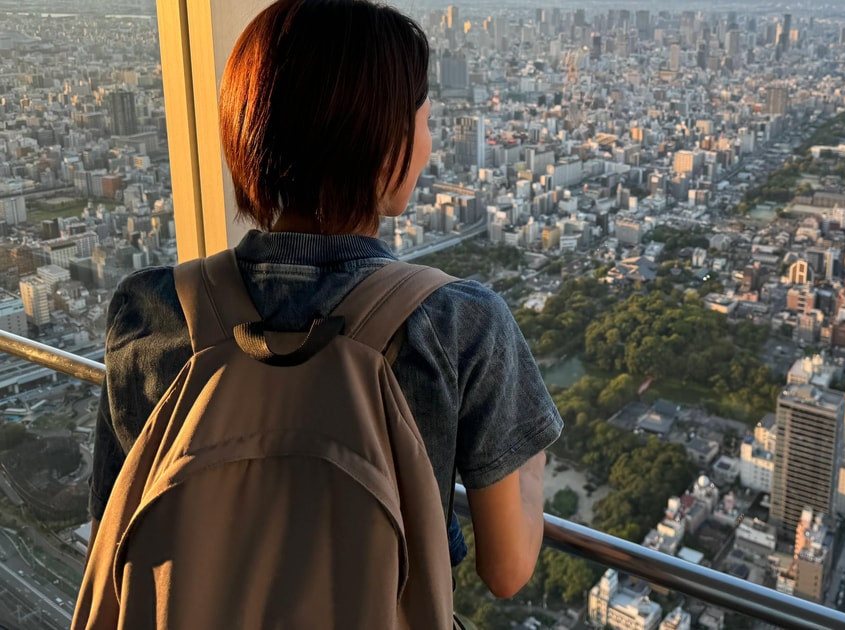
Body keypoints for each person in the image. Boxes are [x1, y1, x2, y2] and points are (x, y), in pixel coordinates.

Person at [86, 0, 561, 601]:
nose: (430, 143)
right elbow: (508, 568)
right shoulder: (456, 322)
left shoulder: (150, 309)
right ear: (385, 141)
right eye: (425, 122)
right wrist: (531, 448)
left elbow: (111, 527)